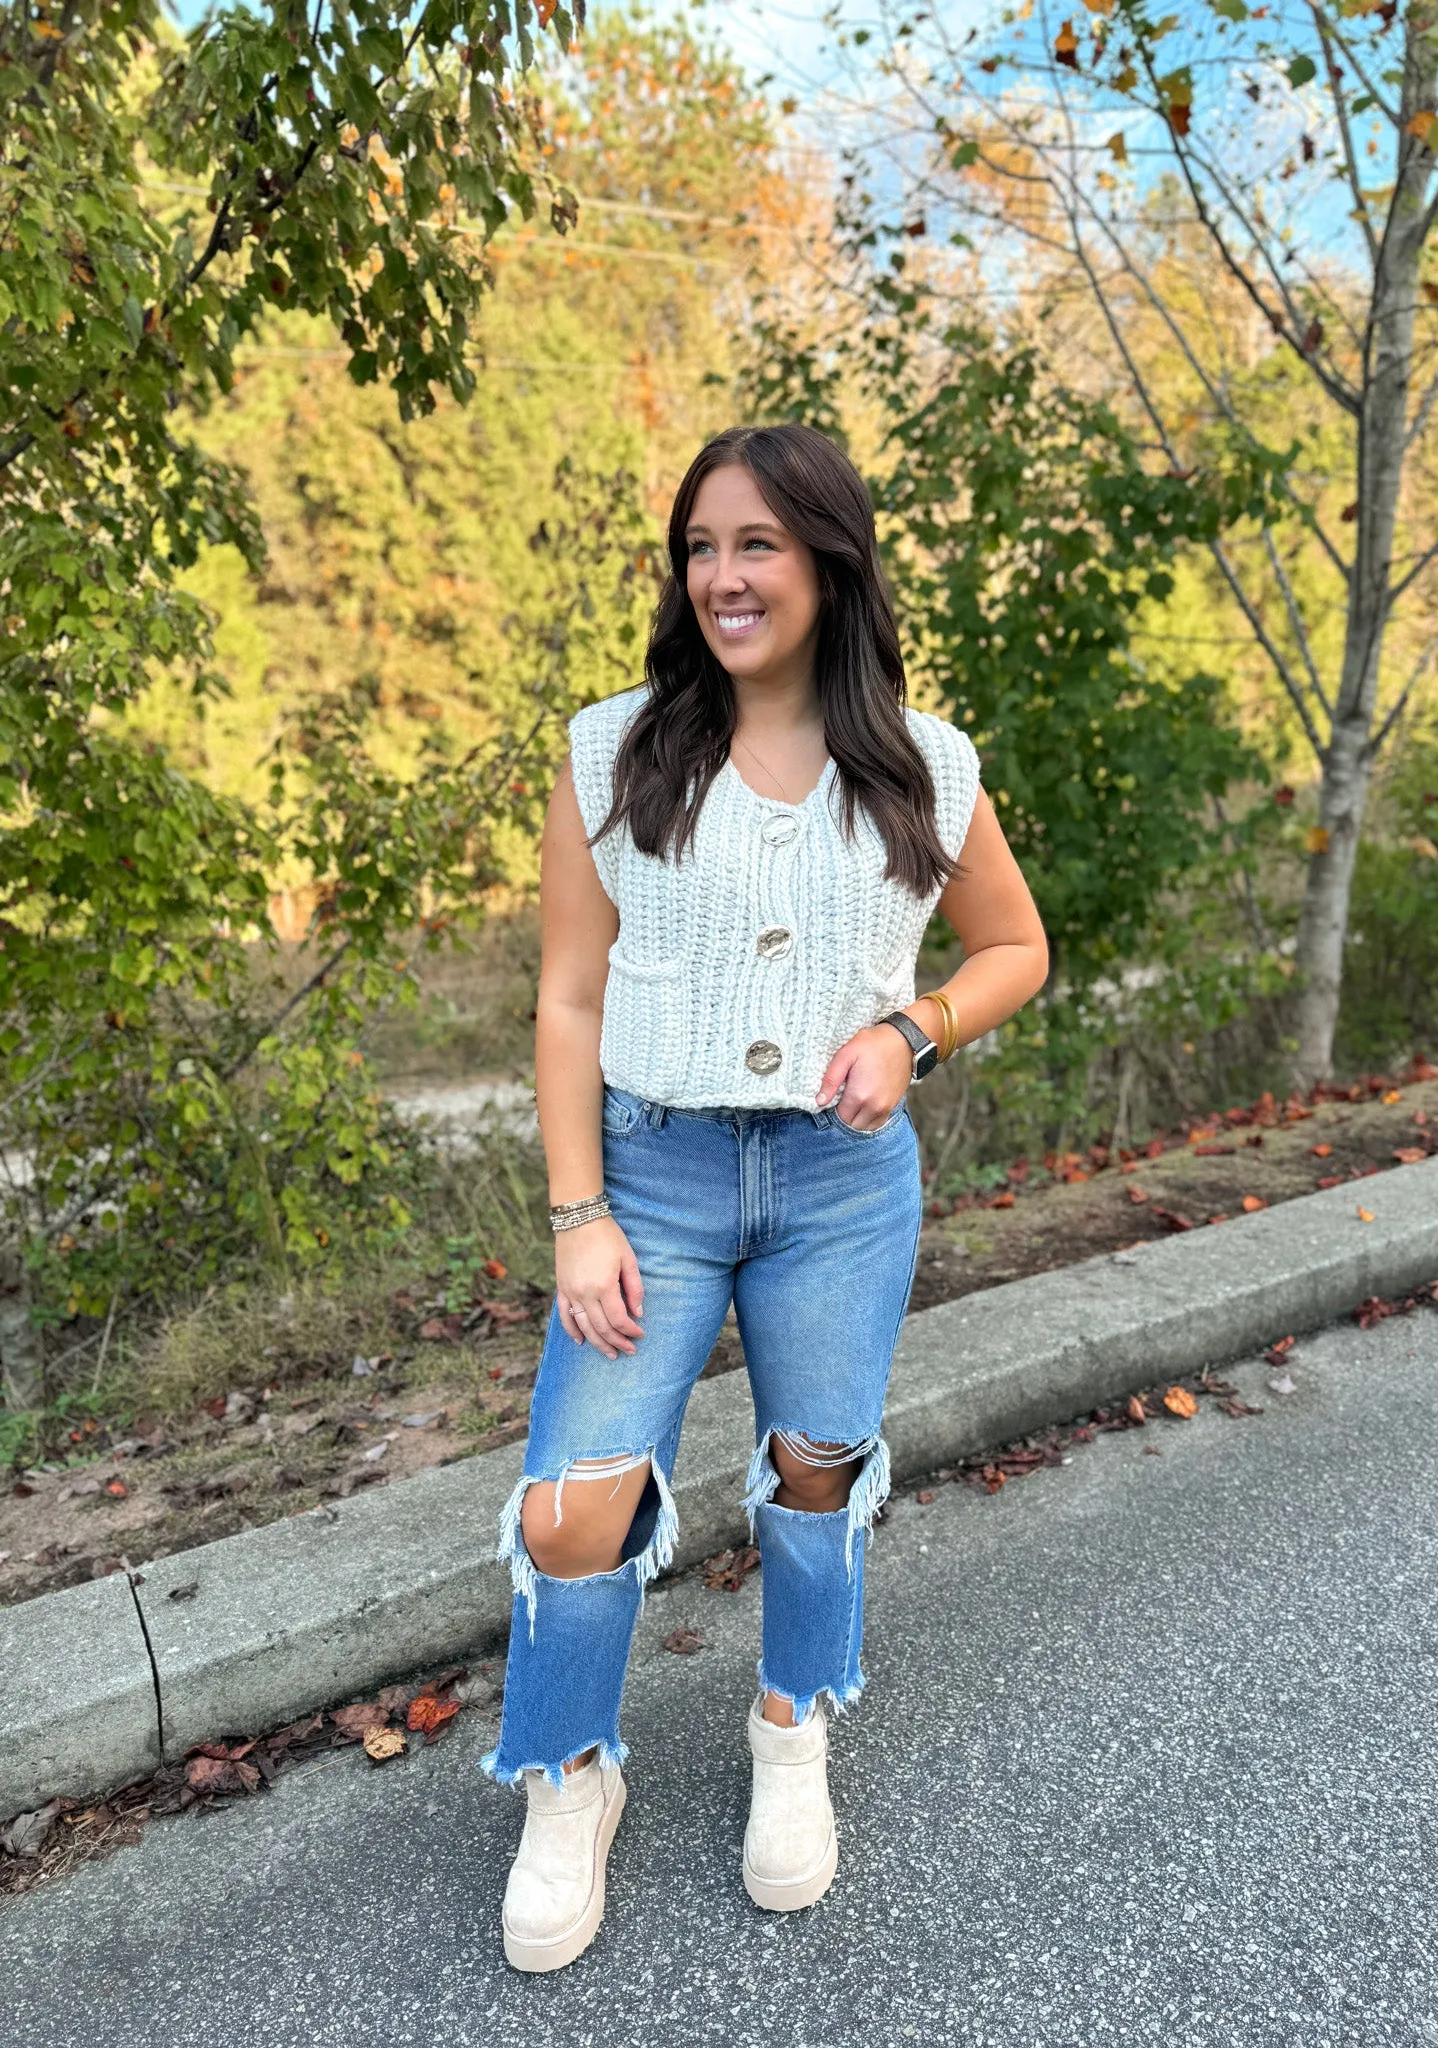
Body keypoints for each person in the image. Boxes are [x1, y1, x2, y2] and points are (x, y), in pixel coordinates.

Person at [483, 422, 1049, 1971]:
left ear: (830, 560)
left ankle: (792, 1728)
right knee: (575, 1500)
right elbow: (566, 1002)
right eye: (702, 548)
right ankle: (566, 1779)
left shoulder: (925, 765)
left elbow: (1015, 948)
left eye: (758, 546)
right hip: (650, 1173)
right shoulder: (615, 748)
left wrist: (909, 1031)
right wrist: (577, 1213)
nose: (724, 576)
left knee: (818, 1467)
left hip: (839, 1186)